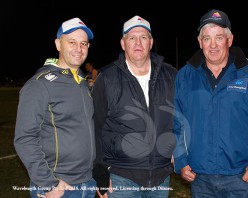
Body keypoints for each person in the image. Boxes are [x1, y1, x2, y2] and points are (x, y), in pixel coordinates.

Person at [172, 9, 248, 198]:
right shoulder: (185, 76)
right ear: (200, 42)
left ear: (229, 40)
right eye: (207, 38)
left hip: (243, 177)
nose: (213, 45)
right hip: (200, 179)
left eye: (219, 37)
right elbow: (174, 123)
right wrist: (181, 161)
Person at [92, 15, 177, 198]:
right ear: (123, 43)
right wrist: (100, 172)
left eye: (143, 37)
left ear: (151, 42)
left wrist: (178, 148)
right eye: (132, 37)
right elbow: (95, 128)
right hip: (121, 176)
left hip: (161, 177)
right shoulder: (106, 78)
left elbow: (182, 117)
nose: (138, 42)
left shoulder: (171, 75)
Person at [14, 17, 98, 198]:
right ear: (58, 44)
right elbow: (24, 138)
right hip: (59, 186)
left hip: (87, 182)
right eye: (72, 42)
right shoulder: (39, 85)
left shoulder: (82, 82)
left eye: (83, 43)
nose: (79, 48)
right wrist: (48, 184)